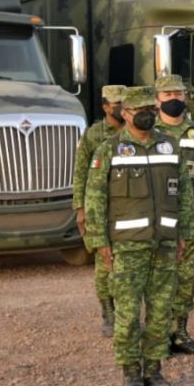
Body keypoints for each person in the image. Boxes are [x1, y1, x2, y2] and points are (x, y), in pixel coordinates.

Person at [84, 86, 194, 386]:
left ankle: (154, 369)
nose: (147, 114)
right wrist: (99, 242)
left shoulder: (170, 146)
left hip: (165, 244)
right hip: (126, 246)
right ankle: (131, 372)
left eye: (151, 108)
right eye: (140, 110)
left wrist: (186, 233)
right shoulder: (109, 150)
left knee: (161, 311)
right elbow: (95, 199)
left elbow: (184, 192)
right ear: (126, 114)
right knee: (129, 314)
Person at [153, 73, 194, 355]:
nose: (174, 100)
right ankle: (158, 337)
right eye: (168, 95)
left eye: (179, 94)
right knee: (158, 281)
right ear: (156, 101)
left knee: (187, 279)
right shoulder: (147, 134)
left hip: (192, 222)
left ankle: (180, 332)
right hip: (156, 223)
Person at [73, 84, 126, 337]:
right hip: (100, 207)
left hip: (128, 206)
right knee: (104, 263)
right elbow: (81, 172)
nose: (122, 109)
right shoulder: (94, 135)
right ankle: (109, 314)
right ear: (106, 107)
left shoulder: (138, 131)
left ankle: (128, 312)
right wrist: (80, 207)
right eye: (117, 105)